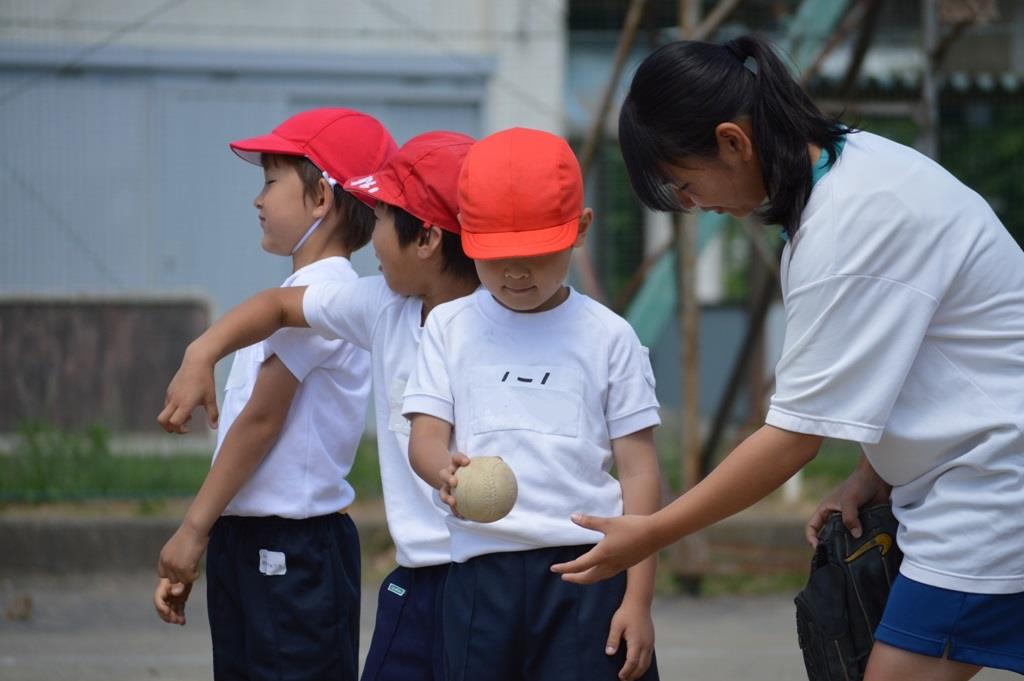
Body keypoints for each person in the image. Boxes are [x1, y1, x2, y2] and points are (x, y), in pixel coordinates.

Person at [550, 34, 1024, 681]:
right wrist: (872, 471)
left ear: (733, 142)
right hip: (969, 474)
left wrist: (653, 530)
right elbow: (905, 352)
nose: (691, 205)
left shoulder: (849, 225)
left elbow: (792, 439)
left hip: (995, 482)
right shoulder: (849, 173)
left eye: (685, 185)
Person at [155, 130, 481, 681]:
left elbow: (261, 420)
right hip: (382, 563)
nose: (257, 199)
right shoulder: (378, 304)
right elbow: (278, 309)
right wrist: (202, 350)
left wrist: (193, 528)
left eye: (270, 181)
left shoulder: (385, 301)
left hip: (311, 547)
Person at [404, 127, 662, 681]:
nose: (516, 273)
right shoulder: (448, 327)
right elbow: (425, 437)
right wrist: (442, 472)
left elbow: (639, 471)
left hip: (590, 570)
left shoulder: (609, 336)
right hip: (480, 573)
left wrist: (637, 600)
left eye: (536, 254)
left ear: (580, 231)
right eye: (496, 257)